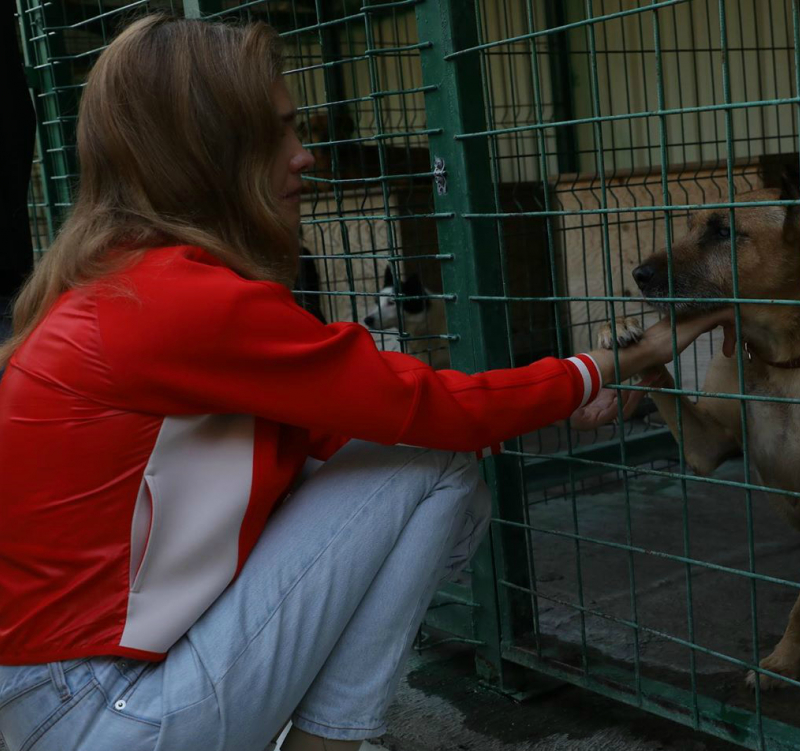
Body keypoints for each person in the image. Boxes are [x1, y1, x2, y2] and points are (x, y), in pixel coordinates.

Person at [0, 15, 733, 751]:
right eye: (282, 132)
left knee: (415, 464)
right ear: (211, 153)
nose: (306, 155)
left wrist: (556, 395)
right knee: (432, 459)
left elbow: (344, 426)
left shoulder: (119, 282)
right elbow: (424, 411)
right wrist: (616, 361)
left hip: (62, 701)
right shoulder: (174, 300)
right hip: (105, 712)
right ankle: (332, 743)